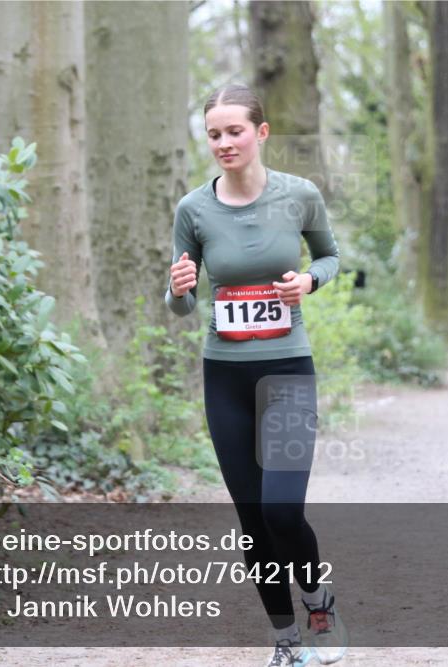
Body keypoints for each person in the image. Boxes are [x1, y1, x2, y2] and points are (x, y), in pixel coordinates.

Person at [165, 83, 348, 667]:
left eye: (234, 131)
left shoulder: (300, 196)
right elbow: (181, 304)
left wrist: (310, 282)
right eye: (214, 134)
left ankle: (319, 600)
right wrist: (178, 292)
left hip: (288, 371)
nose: (224, 143)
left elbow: (330, 256)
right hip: (225, 379)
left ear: (261, 133)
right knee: (251, 519)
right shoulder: (193, 209)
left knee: (281, 511)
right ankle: (286, 641)